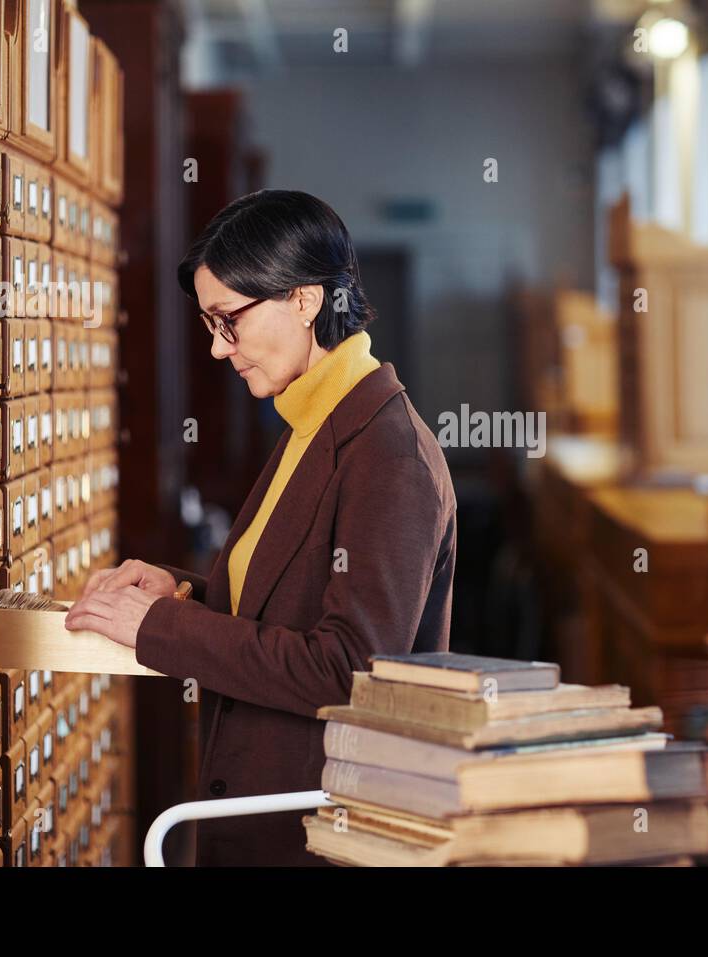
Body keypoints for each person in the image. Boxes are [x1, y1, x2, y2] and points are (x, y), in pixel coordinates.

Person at [64, 189, 458, 865]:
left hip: (320, 836)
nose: (220, 350)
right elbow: (288, 598)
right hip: (270, 818)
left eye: (228, 322)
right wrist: (178, 592)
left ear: (305, 300)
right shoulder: (313, 420)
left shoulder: (389, 454)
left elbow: (346, 669)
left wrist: (157, 628)